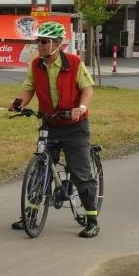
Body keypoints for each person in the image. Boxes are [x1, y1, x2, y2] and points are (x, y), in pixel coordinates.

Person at [9, 21, 99, 238]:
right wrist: (20, 103)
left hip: (74, 126)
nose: (40, 45)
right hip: (50, 124)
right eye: (38, 41)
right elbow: (28, 89)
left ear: (58, 44)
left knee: (80, 173)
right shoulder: (35, 65)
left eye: (44, 41)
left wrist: (81, 107)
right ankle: (30, 214)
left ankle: (92, 219)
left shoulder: (75, 63)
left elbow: (87, 89)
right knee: (40, 170)